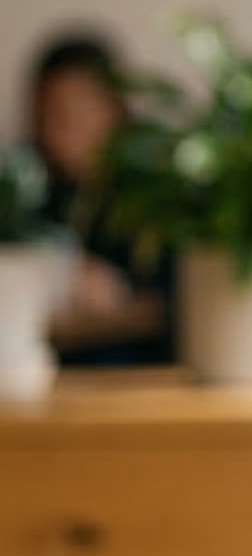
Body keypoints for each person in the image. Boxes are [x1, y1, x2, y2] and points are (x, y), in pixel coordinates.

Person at [26, 30, 171, 364]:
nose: (53, 132)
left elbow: (175, 303)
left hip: (132, 373)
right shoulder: (29, 194)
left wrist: (118, 294)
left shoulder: (158, 197)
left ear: (112, 109)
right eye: (44, 116)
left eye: (67, 116)